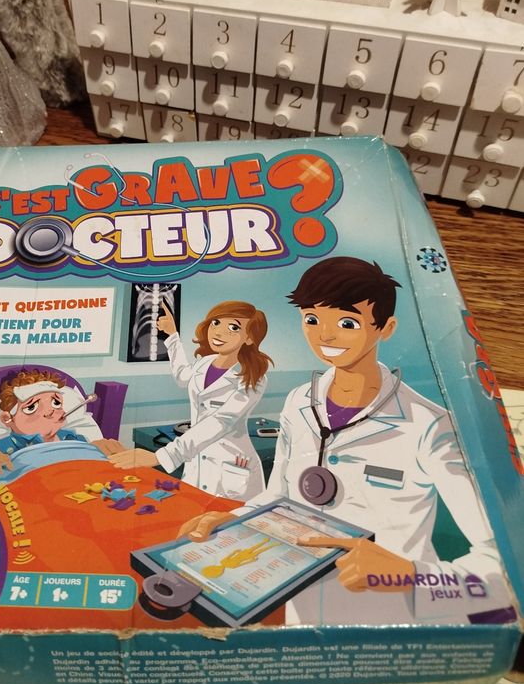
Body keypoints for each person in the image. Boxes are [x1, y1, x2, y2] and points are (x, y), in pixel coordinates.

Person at [179, 257, 513, 624]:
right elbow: (278, 498)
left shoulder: (429, 425)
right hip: (304, 612)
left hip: (397, 624)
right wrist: (233, 519)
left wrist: (408, 576)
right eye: (311, 320)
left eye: (347, 323)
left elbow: (508, 570)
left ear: (386, 328)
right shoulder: (298, 402)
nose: (324, 336)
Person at [111, 300, 272, 501]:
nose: (219, 332)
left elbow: (221, 421)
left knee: (229, 518)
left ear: (249, 338)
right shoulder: (205, 362)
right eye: (216, 323)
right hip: (196, 463)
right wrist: (172, 335)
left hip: (232, 468)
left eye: (233, 327)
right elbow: (182, 376)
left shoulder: (252, 378)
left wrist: (162, 456)